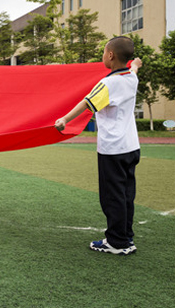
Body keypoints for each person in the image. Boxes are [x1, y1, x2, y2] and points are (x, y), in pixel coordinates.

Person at [55, 36, 142, 255]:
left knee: (112, 196)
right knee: (125, 195)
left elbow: (87, 102)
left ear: (111, 55)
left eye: (104, 52)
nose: (102, 55)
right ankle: (126, 237)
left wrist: (65, 119)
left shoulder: (108, 83)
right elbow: (133, 71)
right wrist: (135, 65)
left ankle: (116, 242)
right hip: (131, 147)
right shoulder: (131, 79)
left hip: (112, 149)